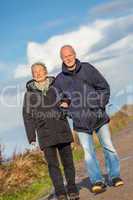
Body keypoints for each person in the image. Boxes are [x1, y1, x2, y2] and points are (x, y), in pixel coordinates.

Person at [54, 45, 124, 194]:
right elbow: (60, 101)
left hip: (99, 116)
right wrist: (68, 110)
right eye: (64, 56)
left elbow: (104, 87)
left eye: (70, 55)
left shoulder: (87, 68)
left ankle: (115, 176)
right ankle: (97, 181)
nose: (68, 58)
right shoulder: (59, 80)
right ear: (61, 58)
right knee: (88, 153)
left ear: (75, 54)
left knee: (108, 147)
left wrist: (100, 104)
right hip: (80, 122)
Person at [22, 62, 79, 200]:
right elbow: (27, 116)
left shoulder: (56, 86)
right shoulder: (29, 95)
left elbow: (67, 97)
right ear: (32, 75)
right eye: (35, 72)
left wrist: (65, 104)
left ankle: (72, 188)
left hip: (62, 129)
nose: (38, 73)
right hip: (45, 134)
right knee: (53, 166)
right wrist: (32, 138)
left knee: (68, 163)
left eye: (40, 70)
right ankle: (60, 192)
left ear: (45, 71)